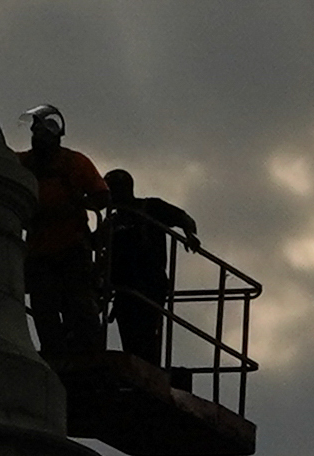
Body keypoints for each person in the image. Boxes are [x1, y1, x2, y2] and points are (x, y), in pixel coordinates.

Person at [20, 105, 111, 356]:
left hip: (71, 247)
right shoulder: (23, 162)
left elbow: (102, 196)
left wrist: (71, 207)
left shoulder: (74, 162)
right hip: (38, 250)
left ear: (54, 135)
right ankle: (54, 352)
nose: (36, 136)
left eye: (40, 131)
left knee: (79, 304)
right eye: (34, 131)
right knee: (43, 306)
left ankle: (89, 353)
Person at [99, 167, 200, 369]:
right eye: (111, 190)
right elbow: (95, 245)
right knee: (130, 337)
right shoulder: (111, 222)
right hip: (123, 290)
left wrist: (189, 235)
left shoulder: (150, 207)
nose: (115, 194)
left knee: (146, 334)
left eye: (117, 189)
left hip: (149, 285)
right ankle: (139, 368)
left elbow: (183, 218)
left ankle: (149, 370)